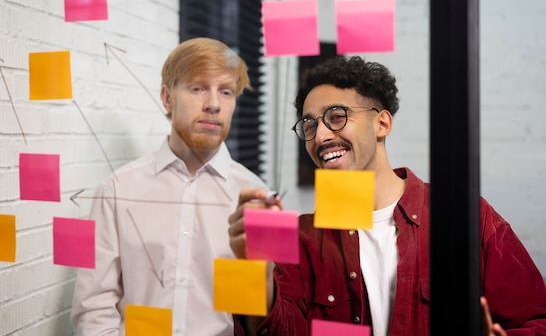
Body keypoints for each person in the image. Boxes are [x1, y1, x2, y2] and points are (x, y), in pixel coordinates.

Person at [227, 55, 546, 336]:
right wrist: (254, 269)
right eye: (309, 125)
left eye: (336, 116)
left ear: (382, 123)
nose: (320, 135)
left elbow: (536, 320)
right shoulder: (301, 236)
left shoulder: (460, 215)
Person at [71, 37, 268, 336]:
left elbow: (263, 315)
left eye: (226, 92)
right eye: (198, 87)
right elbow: (94, 307)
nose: (213, 104)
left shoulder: (253, 195)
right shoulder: (117, 189)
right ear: (167, 98)